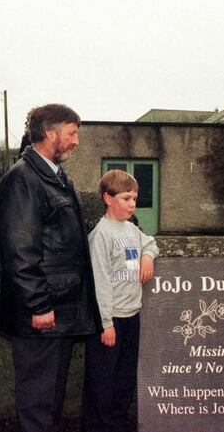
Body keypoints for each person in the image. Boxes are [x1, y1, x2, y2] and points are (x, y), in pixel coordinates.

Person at [0, 103, 101, 432]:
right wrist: (39, 306)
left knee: (51, 397)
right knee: (38, 401)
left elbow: (73, 235)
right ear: (50, 133)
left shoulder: (55, 177)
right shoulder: (23, 179)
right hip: (42, 314)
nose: (76, 141)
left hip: (61, 309)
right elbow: (19, 251)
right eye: (72, 133)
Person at [82, 170, 159, 432]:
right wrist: (105, 324)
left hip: (131, 316)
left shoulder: (131, 229)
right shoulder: (100, 235)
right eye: (126, 198)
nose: (132, 204)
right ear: (107, 198)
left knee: (124, 379)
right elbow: (100, 283)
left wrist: (147, 256)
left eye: (135, 198)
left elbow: (150, 243)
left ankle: (115, 424)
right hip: (109, 320)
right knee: (102, 380)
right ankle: (98, 426)